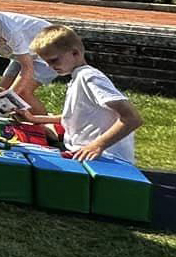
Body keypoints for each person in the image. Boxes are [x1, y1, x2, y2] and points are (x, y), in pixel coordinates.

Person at [16, 25, 143, 163]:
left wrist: (97, 145)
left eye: (53, 60)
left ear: (75, 53)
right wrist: (33, 119)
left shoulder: (90, 77)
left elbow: (132, 118)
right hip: (81, 153)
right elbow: (75, 117)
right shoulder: (78, 78)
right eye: (46, 62)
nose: (50, 66)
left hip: (103, 158)